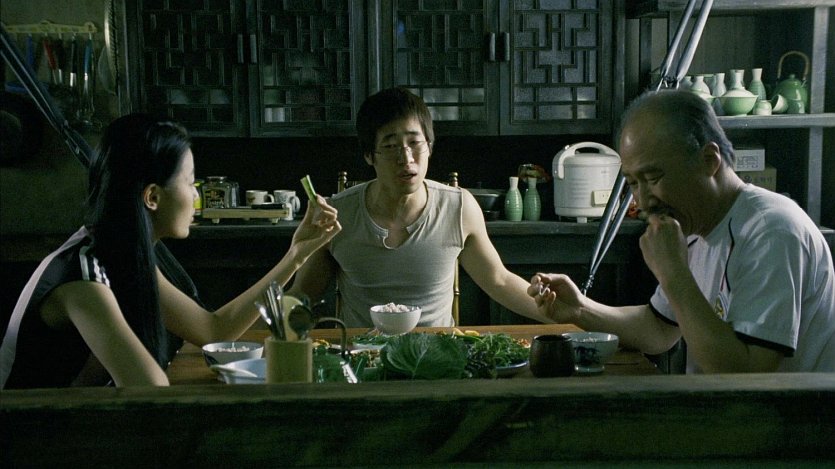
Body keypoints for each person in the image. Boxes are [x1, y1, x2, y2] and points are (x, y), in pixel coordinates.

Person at [0, 113, 341, 388]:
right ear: (152, 197)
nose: (196, 196)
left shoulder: (121, 254)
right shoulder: (83, 278)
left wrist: (297, 254)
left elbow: (213, 330)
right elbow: (150, 389)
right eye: (190, 182)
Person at [529, 89, 834, 373]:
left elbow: (747, 376)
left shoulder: (771, 231)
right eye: (633, 183)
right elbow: (659, 330)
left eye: (653, 178)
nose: (643, 201)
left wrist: (673, 273)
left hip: (786, 414)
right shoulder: (693, 224)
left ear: (709, 161)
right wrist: (580, 310)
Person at [288, 87, 552, 327]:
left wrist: (562, 314)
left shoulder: (458, 207)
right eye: (390, 146)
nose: (406, 158)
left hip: (438, 356)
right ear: (369, 155)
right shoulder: (337, 215)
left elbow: (499, 281)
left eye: (415, 143)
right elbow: (301, 297)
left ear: (430, 146)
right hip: (362, 356)